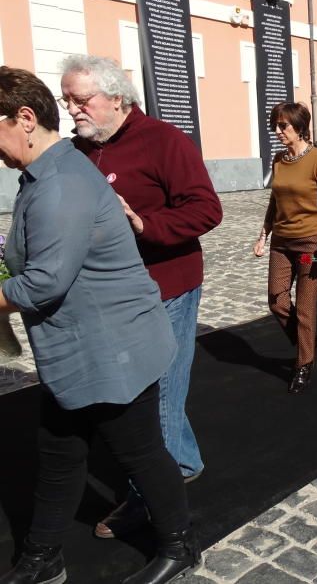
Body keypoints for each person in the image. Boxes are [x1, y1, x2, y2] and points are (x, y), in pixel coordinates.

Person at [0, 66, 199, 584]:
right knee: (60, 450)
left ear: (24, 119)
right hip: (83, 347)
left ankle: (180, 545)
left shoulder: (61, 183)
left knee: (142, 454)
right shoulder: (56, 167)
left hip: (113, 350)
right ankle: (43, 556)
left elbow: (44, 282)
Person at [62, 54, 222, 540]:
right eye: (67, 100)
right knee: (153, 393)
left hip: (166, 288)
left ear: (116, 98)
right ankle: (185, 460)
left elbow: (206, 210)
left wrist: (145, 226)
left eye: (81, 99)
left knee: (157, 395)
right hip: (113, 295)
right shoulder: (80, 150)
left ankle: (144, 499)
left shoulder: (165, 141)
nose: (73, 110)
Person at [253, 103, 317, 393]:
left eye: (283, 126)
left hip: (309, 245)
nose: (277, 131)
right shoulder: (279, 160)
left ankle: (303, 363)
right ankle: (308, 340)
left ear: (300, 127)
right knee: (276, 300)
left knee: (304, 307)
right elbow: (274, 202)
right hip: (281, 244)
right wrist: (263, 234)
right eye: (275, 126)